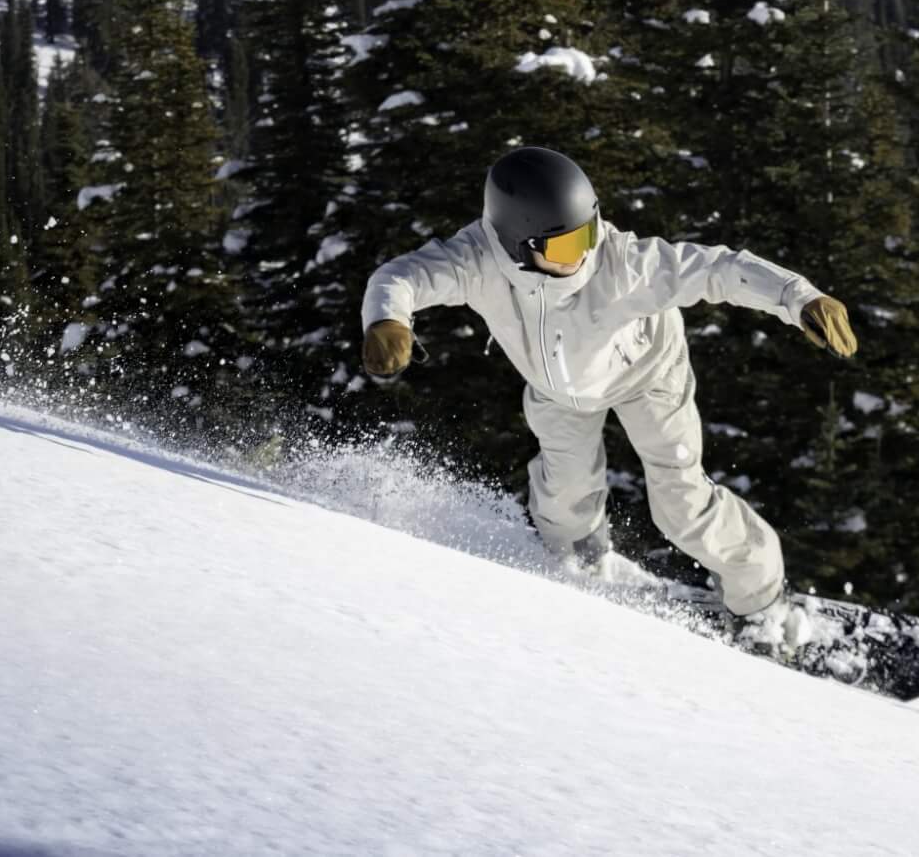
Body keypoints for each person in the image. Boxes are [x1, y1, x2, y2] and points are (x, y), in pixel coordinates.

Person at [359, 145, 856, 635]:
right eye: (566, 245)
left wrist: (798, 297)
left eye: (590, 232)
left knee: (681, 502)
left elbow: (717, 269)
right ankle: (584, 571)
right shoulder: (475, 261)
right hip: (557, 390)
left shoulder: (622, 264)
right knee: (562, 503)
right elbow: (402, 277)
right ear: (517, 245)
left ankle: (762, 599)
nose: (585, 252)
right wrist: (388, 319)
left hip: (649, 375)